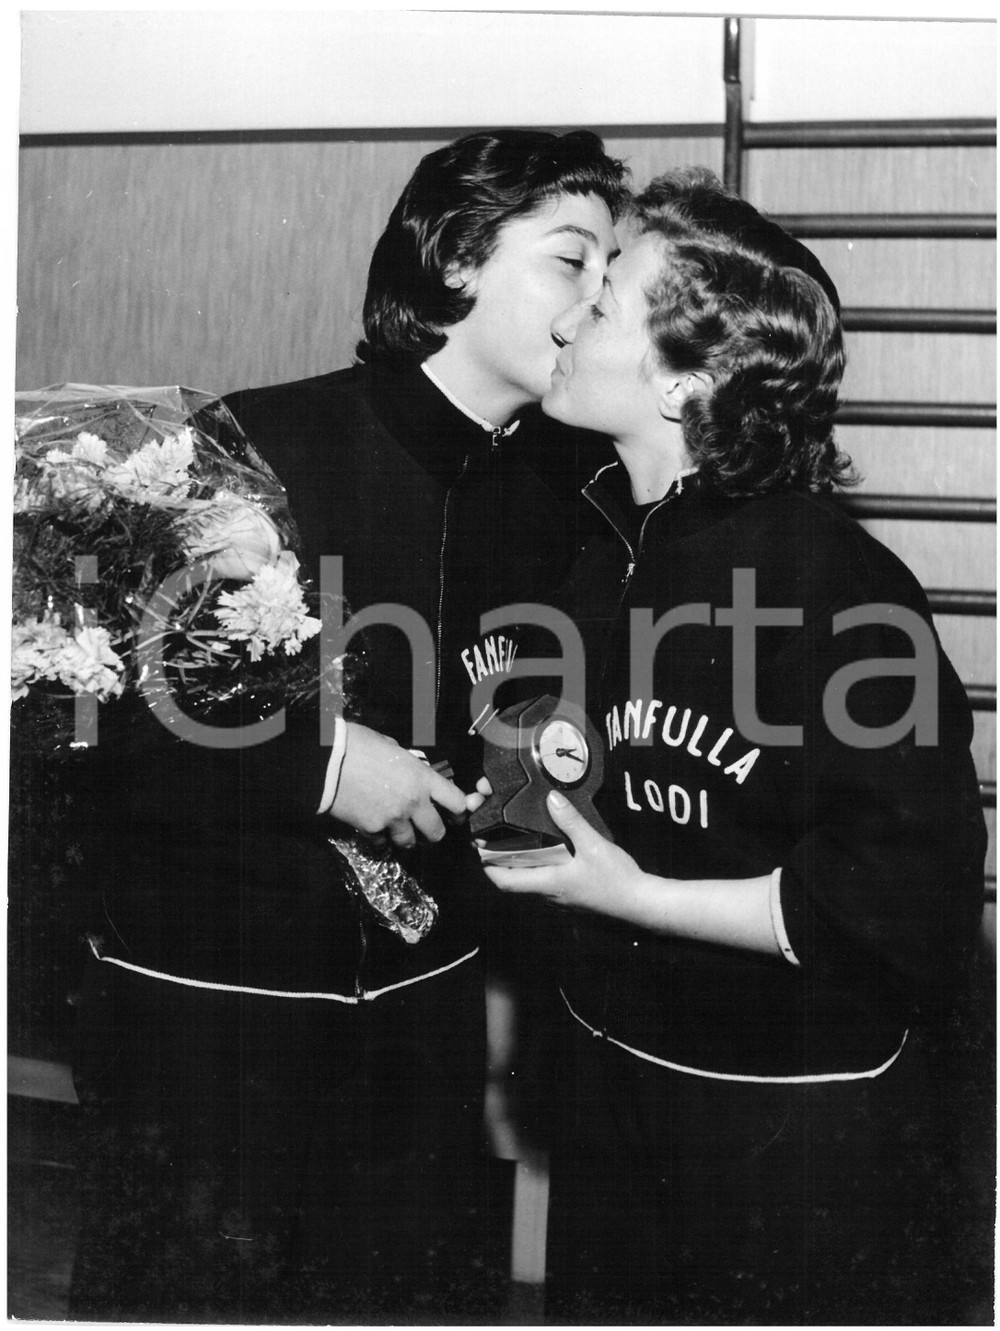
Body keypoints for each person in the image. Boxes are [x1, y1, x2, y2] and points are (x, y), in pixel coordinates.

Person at [67, 129, 627, 1322]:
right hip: (207, 1022)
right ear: (460, 258)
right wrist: (321, 763)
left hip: (422, 1033)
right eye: (573, 260)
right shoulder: (253, 443)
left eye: (611, 273)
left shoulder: (566, 499)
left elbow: (520, 736)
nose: (599, 300)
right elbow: (97, 717)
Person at [483, 167, 987, 1323]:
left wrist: (627, 892)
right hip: (615, 1084)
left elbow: (904, 907)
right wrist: (540, 773)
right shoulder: (602, 533)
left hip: (791, 1128)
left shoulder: (838, 585)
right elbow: (621, 756)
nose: (565, 317)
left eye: (602, 302)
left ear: (690, 380)